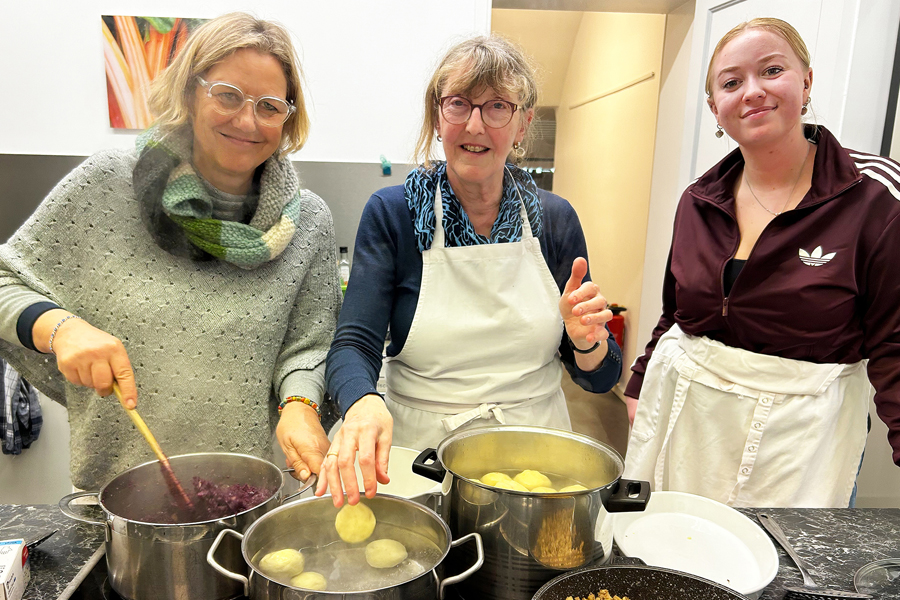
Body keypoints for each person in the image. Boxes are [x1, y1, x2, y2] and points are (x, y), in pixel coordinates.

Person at [0, 13, 341, 491]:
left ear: (287, 116)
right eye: (227, 95)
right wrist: (60, 327)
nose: (247, 120)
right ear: (189, 91)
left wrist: (300, 406)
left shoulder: (309, 223)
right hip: (121, 502)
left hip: (253, 496)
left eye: (268, 105)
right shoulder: (106, 186)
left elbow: (309, 345)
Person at [320, 35, 623, 506]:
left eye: (498, 106)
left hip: (534, 457)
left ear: (523, 123)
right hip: (418, 457)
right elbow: (352, 346)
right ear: (437, 117)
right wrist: (361, 404)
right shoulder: (394, 213)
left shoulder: (555, 220)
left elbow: (598, 379)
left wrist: (587, 342)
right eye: (459, 104)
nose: (476, 125)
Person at [623, 18, 900, 508]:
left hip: (802, 445)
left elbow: (895, 344)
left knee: (779, 577)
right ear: (715, 108)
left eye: (772, 70)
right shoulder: (698, 200)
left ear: (806, 81)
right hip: (690, 424)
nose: (752, 92)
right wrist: (640, 382)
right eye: (731, 83)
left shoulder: (874, 196)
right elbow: (676, 312)